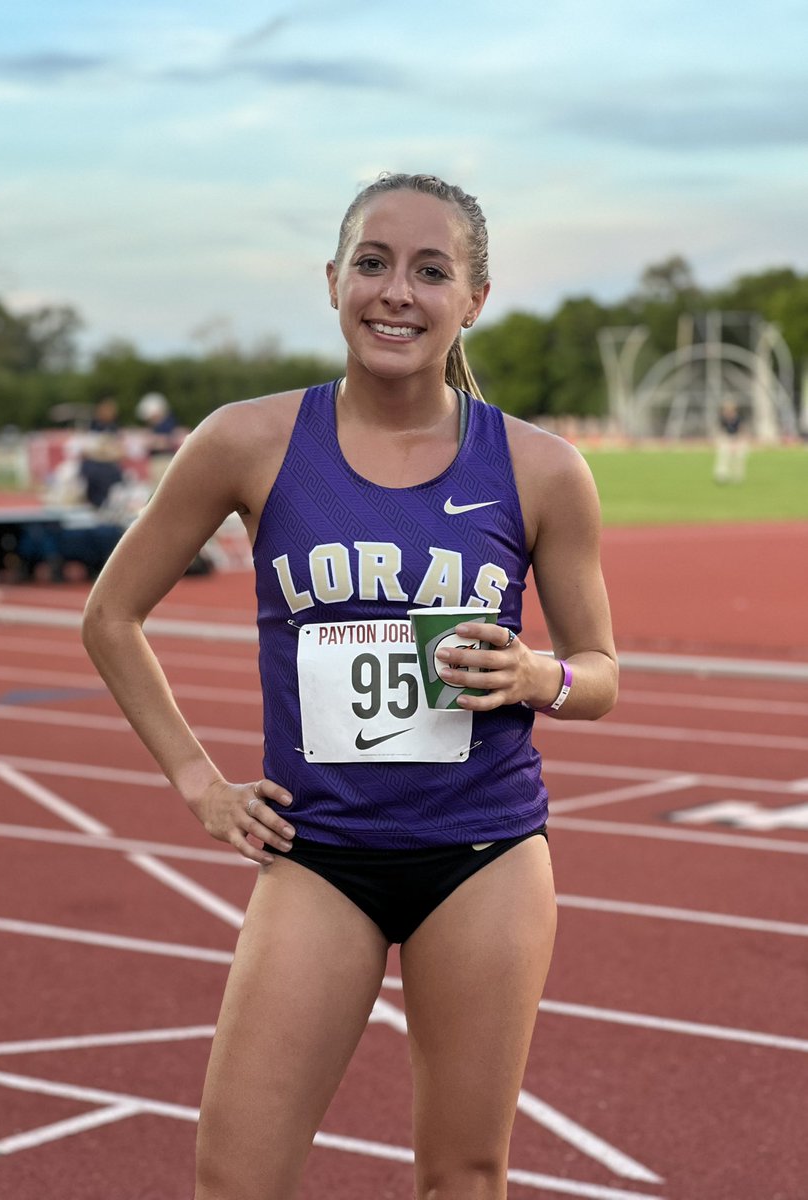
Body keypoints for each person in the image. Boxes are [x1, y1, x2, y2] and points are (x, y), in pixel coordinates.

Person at [82, 172, 618, 1199]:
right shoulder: (249, 440)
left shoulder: (543, 468)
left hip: (485, 857)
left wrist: (536, 673)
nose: (396, 292)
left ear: (476, 297)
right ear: (332, 280)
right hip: (319, 857)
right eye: (372, 263)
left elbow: (602, 674)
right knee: (238, 1177)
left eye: (431, 270)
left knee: (462, 1176)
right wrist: (199, 783)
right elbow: (110, 615)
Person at [713, 399, 748, 483]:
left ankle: (737, 477)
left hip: (737, 438)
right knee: (723, 457)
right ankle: (721, 475)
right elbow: (721, 430)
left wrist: (737, 442)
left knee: (738, 458)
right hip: (726, 439)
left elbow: (741, 430)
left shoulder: (738, 418)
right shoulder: (723, 419)